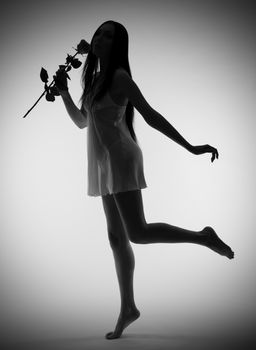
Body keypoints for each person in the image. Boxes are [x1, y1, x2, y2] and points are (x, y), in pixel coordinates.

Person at [54, 20, 234, 340]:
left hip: (121, 158)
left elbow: (150, 116)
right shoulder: (95, 80)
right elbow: (83, 122)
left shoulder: (120, 78)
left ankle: (203, 236)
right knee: (116, 238)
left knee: (136, 233)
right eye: (99, 33)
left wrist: (192, 147)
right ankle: (128, 308)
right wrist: (65, 92)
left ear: (118, 45)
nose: (99, 39)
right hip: (102, 163)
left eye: (108, 36)